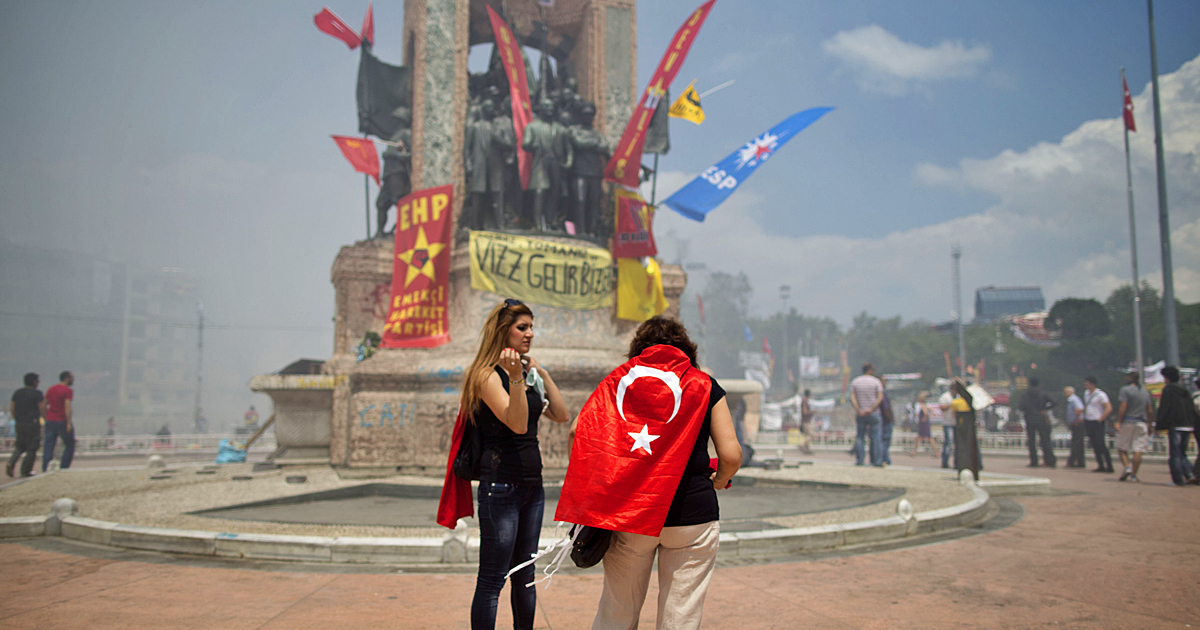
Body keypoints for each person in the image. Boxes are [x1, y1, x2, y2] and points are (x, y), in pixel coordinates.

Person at [556, 316, 741, 630]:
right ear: (686, 351)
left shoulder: (619, 380)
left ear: (638, 350)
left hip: (633, 514)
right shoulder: (704, 384)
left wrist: (606, 474)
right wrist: (720, 479)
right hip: (692, 515)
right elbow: (731, 454)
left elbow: (577, 433)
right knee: (680, 616)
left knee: (618, 610)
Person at [464, 299, 569, 630]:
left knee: (525, 573)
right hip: (500, 486)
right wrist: (514, 378)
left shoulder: (524, 373)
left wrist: (540, 371)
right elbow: (518, 423)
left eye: (531, 327)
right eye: (522, 327)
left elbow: (562, 414)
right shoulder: (487, 375)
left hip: (531, 487)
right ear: (503, 331)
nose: (530, 334)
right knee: (493, 578)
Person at [1156, 366, 1199, 486]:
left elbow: (1164, 409)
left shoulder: (1168, 390)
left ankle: (1178, 480)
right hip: (1188, 425)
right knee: (1182, 453)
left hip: (1175, 425)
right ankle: (1191, 475)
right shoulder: (1184, 389)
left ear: (1167, 377)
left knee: (1175, 454)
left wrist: (1159, 425)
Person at [1114, 371, 1155, 482]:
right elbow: (1150, 410)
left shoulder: (1125, 390)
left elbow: (1123, 406)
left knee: (1122, 447)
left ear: (1129, 378)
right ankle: (1134, 475)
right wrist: (1150, 424)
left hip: (1128, 421)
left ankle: (1126, 467)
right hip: (1141, 422)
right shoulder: (1145, 392)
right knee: (1138, 449)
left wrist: (1118, 421)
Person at [7, 373, 44, 478]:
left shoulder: (17, 393)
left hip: (19, 423)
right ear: (34, 382)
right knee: (32, 447)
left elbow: (12, 408)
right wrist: (42, 419)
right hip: (32, 423)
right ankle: (25, 471)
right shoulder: (37, 393)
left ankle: (11, 462)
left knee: (20, 445)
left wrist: (17, 419)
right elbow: (41, 407)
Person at [849, 363, 884, 467]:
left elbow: (852, 397)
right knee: (876, 437)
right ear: (870, 370)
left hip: (860, 413)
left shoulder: (855, 381)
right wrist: (871, 409)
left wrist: (858, 409)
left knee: (860, 436)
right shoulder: (876, 382)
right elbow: (879, 398)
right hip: (874, 413)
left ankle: (860, 460)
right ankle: (876, 461)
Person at [1018, 378, 1057, 468]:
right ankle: (1050, 460)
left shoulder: (1025, 394)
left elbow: (1021, 406)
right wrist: (1045, 409)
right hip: (1040, 417)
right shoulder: (1043, 393)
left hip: (1029, 417)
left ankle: (1034, 461)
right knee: (1045, 439)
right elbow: (1054, 402)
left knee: (1031, 440)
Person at [42, 371, 75, 472]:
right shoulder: (67, 390)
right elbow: (67, 406)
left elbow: (44, 405)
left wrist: (46, 417)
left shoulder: (51, 389)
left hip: (50, 420)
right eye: (72, 378)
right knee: (70, 444)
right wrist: (68, 423)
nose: (73, 380)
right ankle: (64, 467)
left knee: (49, 445)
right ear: (66, 378)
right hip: (62, 421)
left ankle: (46, 469)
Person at [1082, 376, 1114, 473]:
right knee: (1094, 444)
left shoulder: (1100, 394)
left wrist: (1101, 418)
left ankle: (1109, 465)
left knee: (1100, 443)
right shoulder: (1086, 394)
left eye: (1086, 383)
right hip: (1089, 421)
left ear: (1092, 384)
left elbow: (1108, 408)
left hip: (1097, 421)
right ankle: (1100, 465)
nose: (1085, 385)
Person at [1063, 386, 1087, 468]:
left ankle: (1071, 461)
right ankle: (1080, 462)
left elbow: (1080, 409)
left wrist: (1077, 420)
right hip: (1075, 423)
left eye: (1066, 392)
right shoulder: (1071, 400)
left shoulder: (1074, 400)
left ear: (1071, 392)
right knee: (1079, 443)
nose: (1064, 394)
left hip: (1077, 423)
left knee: (1075, 443)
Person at [938, 388, 957, 469]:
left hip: (956, 423)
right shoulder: (945, 397)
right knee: (948, 442)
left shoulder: (959, 396)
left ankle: (956, 462)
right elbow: (942, 407)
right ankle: (945, 461)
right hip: (948, 422)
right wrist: (951, 405)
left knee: (957, 443)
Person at [878, 375, 895, 466]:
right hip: (885, 420)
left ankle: (883, 458)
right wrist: (890, 419)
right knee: (885, 441)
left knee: (880, 440)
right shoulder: (882, 393)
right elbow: (886, 407)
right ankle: (884, 459)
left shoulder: (876, 393)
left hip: (881, 420)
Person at [799, 389, 814, 455]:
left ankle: (807, 449)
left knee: (807, 436)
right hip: (806, 421)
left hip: (804, 421)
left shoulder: (804, 402)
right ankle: (802, 445)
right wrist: (811, 412)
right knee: (811, 435)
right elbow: (805, 411)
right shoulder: (805, 402)